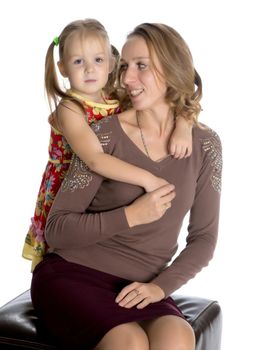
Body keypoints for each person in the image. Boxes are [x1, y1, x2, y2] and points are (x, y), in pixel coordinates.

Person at [30, 22, 222, 350]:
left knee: (177, 337)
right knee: (128, 341)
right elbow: (57, 230)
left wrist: (160, 288)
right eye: (123, 67)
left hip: (141, 285)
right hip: (73, 273)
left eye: (141, 66)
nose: (126, 78)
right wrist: (131, 215)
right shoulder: (102, 135)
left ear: (172, 68)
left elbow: (203, 239)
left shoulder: (205, 145)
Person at [22, 19, 193, 271]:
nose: (89, 69)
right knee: (68, 248)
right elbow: (94, 159)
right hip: (71, 187)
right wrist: (147, 179)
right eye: (78, 61)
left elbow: (177, 98)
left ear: (111, 64)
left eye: (98, 60)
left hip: (104, 187)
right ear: (63, 68)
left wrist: (184, 126)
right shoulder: (71, 108)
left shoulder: (116, 96)